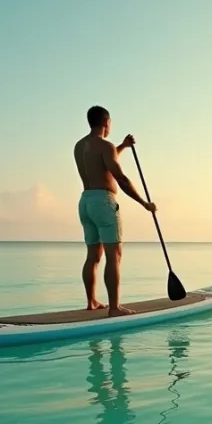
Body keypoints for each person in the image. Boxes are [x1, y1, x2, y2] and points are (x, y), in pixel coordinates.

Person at [73, 105, 157, 316]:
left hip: (85, 202)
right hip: (103, 202)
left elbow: (102, 162)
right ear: (107, 123)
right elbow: (120, 178)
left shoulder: (79, 146)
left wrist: (123, 146)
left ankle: (91, 301)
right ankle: (114, 308)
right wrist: (144, 203)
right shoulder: (105, 146)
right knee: (114, 255)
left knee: (93, 254)